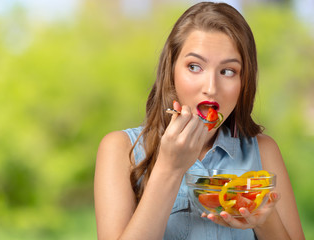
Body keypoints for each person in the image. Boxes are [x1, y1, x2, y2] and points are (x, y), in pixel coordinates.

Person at [94, 2, 304, 240]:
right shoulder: (121, 149)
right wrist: (169, 168)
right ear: (171, 70)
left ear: (244, 81)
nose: (211, 88)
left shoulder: (264, 151)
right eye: (194, 67)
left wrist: (264, 220)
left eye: (228, 71)